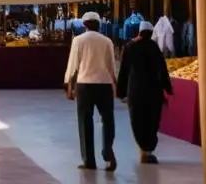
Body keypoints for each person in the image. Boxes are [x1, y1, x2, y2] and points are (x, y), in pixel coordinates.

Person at [64, 11, 117, 172]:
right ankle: (108, 153)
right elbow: (111, 66)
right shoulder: (107, 41)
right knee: (108, 120)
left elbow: (73, 64)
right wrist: (114, 85)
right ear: (99, 24)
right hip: (104, 84)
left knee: (85, 121)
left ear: (84, 25)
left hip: (85, 84)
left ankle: (89, 160)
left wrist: (69, 85)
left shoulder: (78, 40)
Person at [117, 21, 173, 164]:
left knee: (138, 119)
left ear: (139, 32)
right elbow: (163, 69)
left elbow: (124, 71)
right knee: (152, 120)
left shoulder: (130, 47)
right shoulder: (154, 47)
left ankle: (142, 148)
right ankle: (148, 149)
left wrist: (121, 91)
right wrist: (168, 88)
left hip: (136, 90)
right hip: (154, 91)